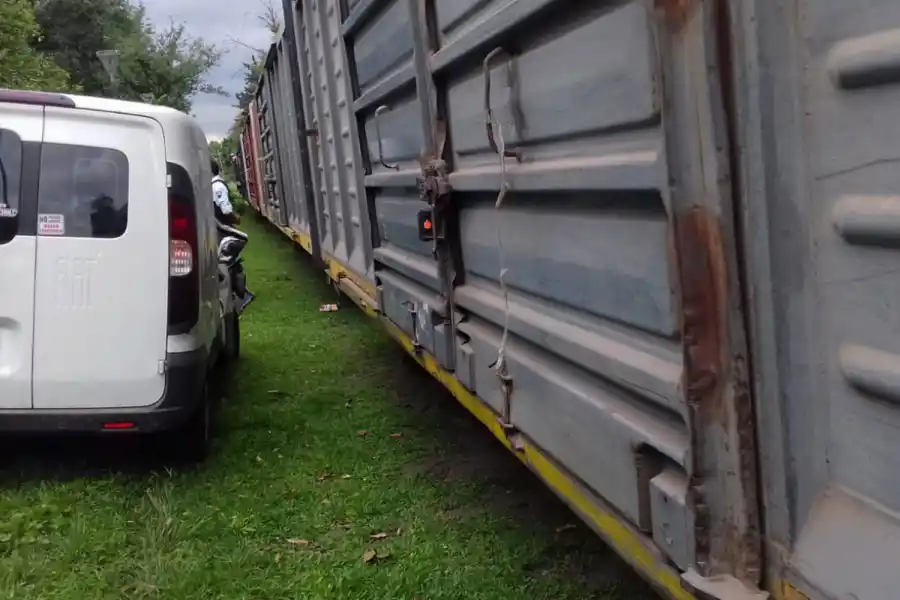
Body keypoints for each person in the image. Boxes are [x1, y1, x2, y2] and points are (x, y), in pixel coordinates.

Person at [211, 159, 238, 226]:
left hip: (223, 225)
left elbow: (226, 210)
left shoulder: (217, 186)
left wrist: (235, 219)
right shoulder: (215, 185)